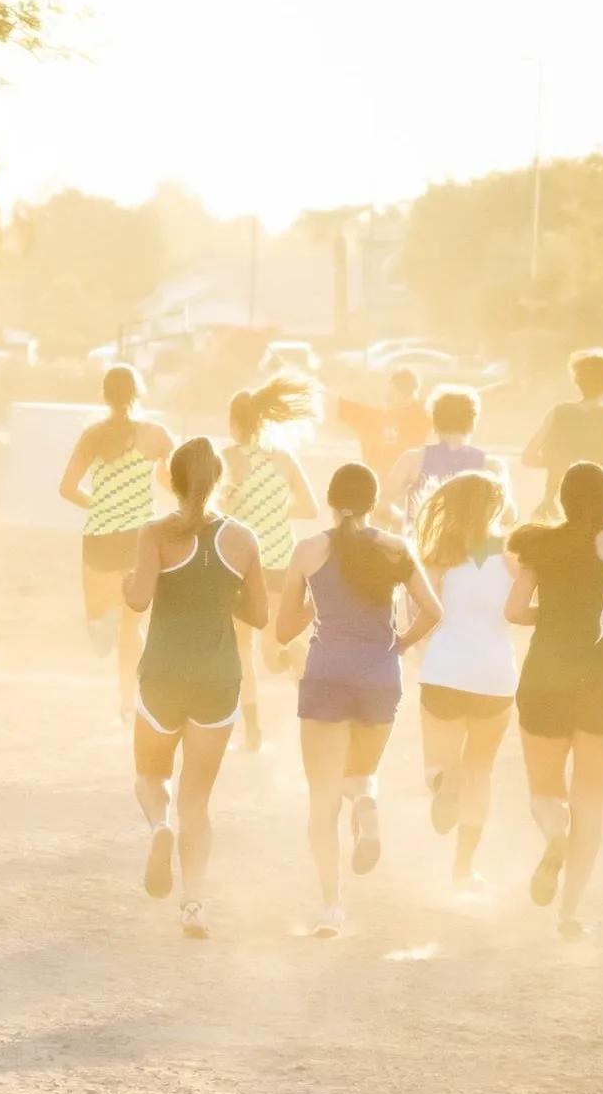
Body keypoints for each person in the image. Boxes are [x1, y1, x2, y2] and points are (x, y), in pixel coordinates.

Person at [277, 463, 441, 937]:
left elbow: (283, 629)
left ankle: (331, 906)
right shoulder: (396, 548)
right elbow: (434, 611)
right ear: (372, 503)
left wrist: (318, 602)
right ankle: (367, 809)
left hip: (327, 675)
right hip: (379, 676)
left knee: (322, 801)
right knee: (361, 774)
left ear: (331, 500)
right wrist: (401, 644)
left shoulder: (309, 550)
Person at [123, 437, 267, 940]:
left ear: (173, 479)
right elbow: (260, 615)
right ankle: (193, 905)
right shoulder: (243, 539)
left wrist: (129, 581)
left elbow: (138, 600)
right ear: (219, 478)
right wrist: (219, 593)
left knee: (150, 774)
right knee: (198, 801)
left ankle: (158, 828)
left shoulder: (156, 533)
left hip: (163, 672)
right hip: (218, 678)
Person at [506, 462, 603, 936]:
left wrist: (548, 615)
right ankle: (570, 913)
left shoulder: (538, 545)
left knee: (546, 792)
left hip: (545, 673)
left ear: (563, 498)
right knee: (590, 798)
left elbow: (512, 610)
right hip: (600, 678)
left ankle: (554, 835)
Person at [415, 471, 519, 894]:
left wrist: (404, 643)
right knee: (481, 772)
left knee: (438, 767)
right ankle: (464, 868)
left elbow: (424, 614)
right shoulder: (515, 557)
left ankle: (444, 784)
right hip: (495, 676)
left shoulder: (438, 556)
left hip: (445, 671)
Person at [59, 364, 174, 722]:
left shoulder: (92, 435)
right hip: (139, 538)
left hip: (100, 537)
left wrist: (101, 504)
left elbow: (67, 488)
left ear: (104, 396)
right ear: (137, 393)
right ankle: (128, 702)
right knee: (132, 626)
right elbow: (170, 482)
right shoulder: (156, 435)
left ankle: (100, 624)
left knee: (98, 623)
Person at [222, 375, 320, 751]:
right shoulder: (284, 458)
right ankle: (293, 662)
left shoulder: (228, 459)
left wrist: (245, 512)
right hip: (282, 563)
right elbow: (309, 508)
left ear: (234, 423)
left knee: (243, 648)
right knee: (274, 648)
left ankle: (253, 730)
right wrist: (276, 511)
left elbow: (219, 507)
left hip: (242, 566)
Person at [522, 351, 603, 520]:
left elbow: (528, 457)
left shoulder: (557, 413)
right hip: (596, 509)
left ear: (577, 381)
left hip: (557, 508)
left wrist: (557, 460)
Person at [387, 386, 511, 531]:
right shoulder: (491, 466)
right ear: (472, 424)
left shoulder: (411, 459)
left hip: (421, 547)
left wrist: (414, 523)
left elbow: (382, 509)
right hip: (469, 549)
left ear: (434, 423)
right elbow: (508, 515)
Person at [337, 368, 431, 516]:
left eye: (392, 393)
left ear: (407, 395)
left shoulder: (421, 415)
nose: (387, 397)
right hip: (376, 491)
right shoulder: (374, 417)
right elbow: (336, 405)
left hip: (408, 492)